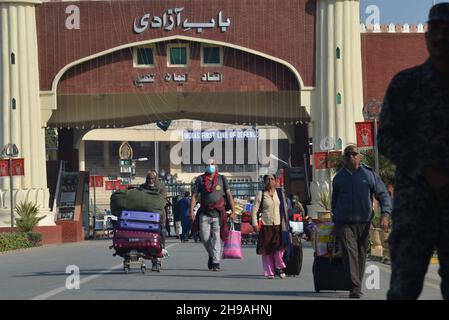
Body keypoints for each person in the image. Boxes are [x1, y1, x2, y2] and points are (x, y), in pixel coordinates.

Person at [377, 3, 449, 300]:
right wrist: (427, 172)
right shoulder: (406, 84)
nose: (440, 37)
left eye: (447, 31)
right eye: (435, 30)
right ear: (426, 35)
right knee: (404, 289)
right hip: (414, 207)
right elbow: (387, 138)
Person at [331, 145, 392, 298]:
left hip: (364, 223)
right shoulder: (338, 178)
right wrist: (335, 221)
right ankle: (355, 287)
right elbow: (334, 202)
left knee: (361, 254)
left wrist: (385, 214)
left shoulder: (369, 174)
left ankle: (355, 284)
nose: (351, 156)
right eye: (347, 154)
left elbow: (383, 195)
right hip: (344, 223)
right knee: (350, 252)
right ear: (344, 158)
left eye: (354, 154)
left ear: (360, 157)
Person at [190, 159, 236, 271]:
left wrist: (234, 211)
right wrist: (191, 211)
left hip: (218, 214)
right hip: (204, 213)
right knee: (205, 238)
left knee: (216, 238)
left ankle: (216, 262)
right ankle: (212, 254)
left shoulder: (222, 178)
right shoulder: (200, 179)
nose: (210, 166)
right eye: (208, 164)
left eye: (212, 164)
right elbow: (195, 196)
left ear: (216, 166)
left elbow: (229, 195)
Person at [251, 174, 290, 279]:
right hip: (266, 225)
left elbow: (285, 209)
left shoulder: (279, 193)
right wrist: (254, 224)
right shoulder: (261, 194)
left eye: (272, 179)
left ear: (275, 181)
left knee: (279, 248)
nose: (270, 181)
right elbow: (254, 210)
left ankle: (279, 267)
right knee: (267, 250)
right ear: (264, 182)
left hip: (279, 225)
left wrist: (286, 223)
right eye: (268, 179)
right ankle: (269, 272)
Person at [140, 169, 168, 272]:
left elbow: (163, 201)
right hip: (146, 218)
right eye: (148, 178)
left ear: (156, 179)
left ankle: (157, 260)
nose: (150, 180)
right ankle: (151, 259)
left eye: (152, 178)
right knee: (147, 240)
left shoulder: (161, 188)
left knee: (159, 239)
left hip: (159, 218)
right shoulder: (142, 188)